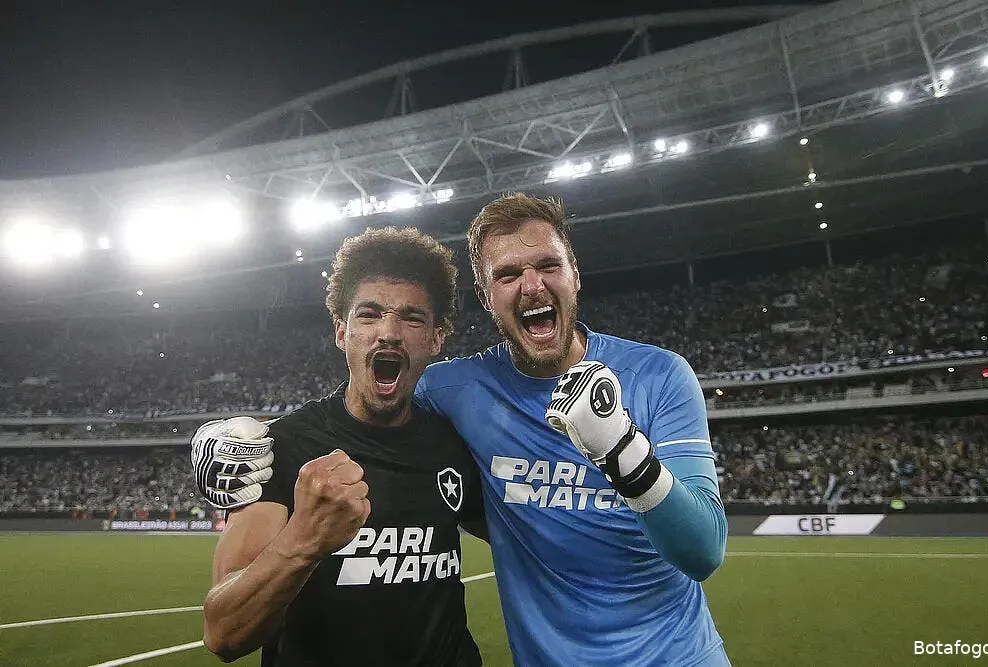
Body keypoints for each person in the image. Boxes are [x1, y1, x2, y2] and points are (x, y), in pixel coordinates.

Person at [195, 193, 730, 666]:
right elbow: (223, 632)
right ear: (487, 293)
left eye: (548, 265)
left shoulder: (658, 375)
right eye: (507, 274)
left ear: (574, 275)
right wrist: (249, 434)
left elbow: (704, 552)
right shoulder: (450, 393)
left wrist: (622, 448)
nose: (532, 284)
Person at [198, 227, 486, 666]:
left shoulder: (455, 443)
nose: (389, 333)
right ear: (341, 332)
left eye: (412, 318)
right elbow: (223, 632)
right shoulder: (286, 447)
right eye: (369, 315)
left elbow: (531, 534)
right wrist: (304, 540)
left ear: (436, 339)